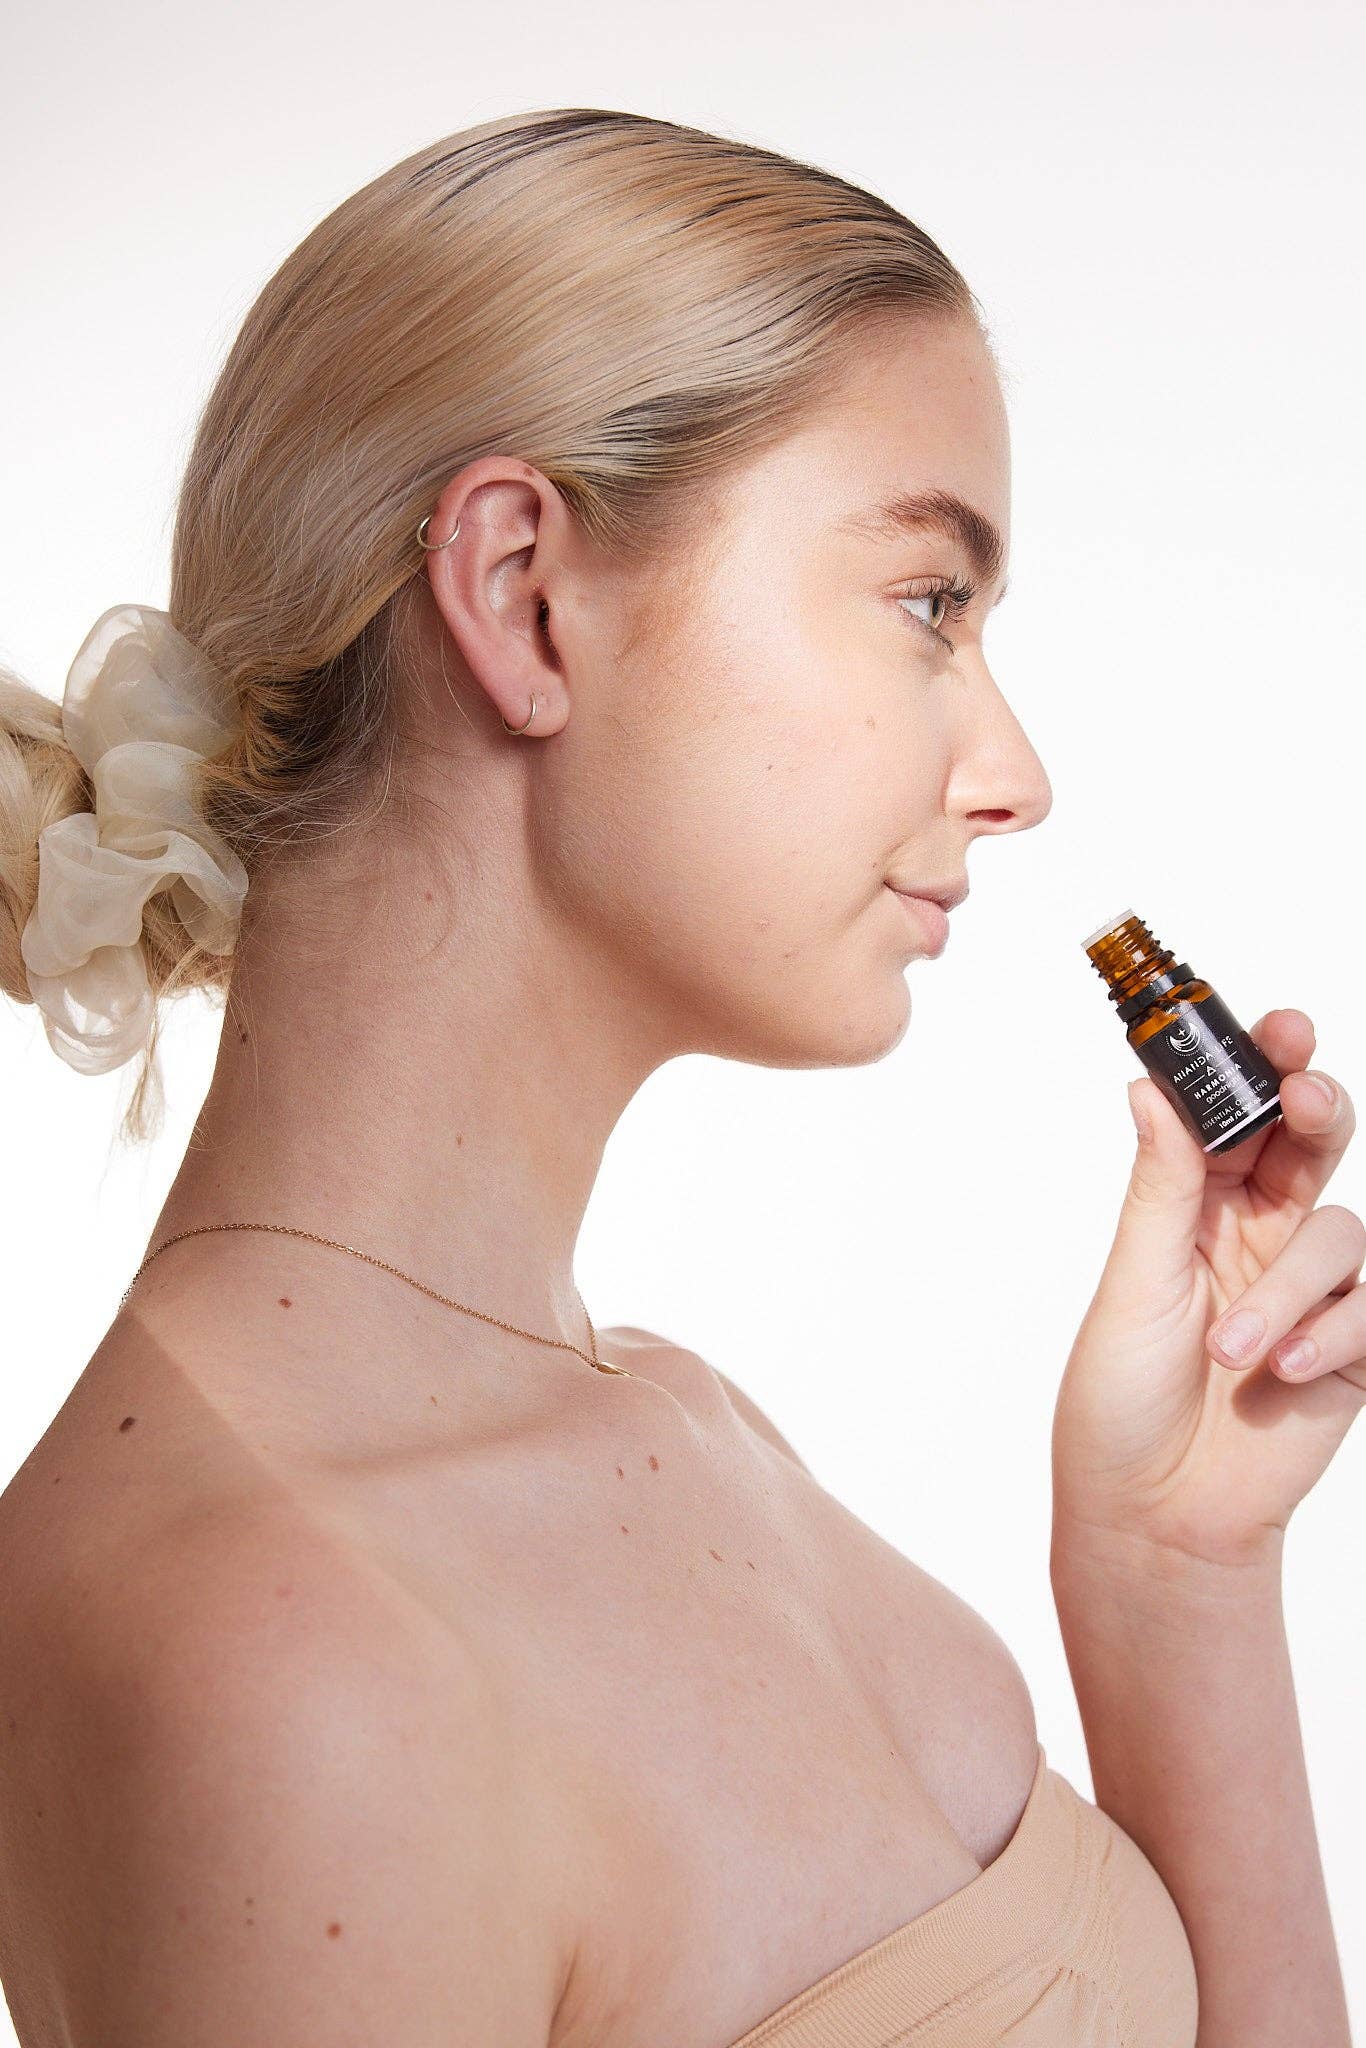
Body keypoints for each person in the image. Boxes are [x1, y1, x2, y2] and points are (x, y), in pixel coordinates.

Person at [0, 106, 1358, 2048]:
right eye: (928, 602)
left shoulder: (689, 1427)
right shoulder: (270, 1655)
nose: (1013, 774)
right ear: (521, 592)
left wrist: (1173, 1564)